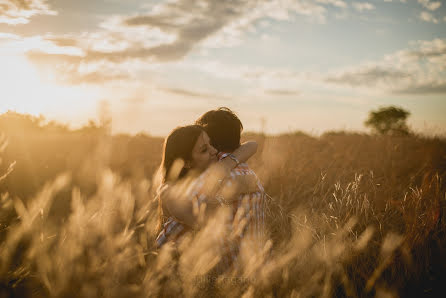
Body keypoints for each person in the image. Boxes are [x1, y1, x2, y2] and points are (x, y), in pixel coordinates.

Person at [155, 125, 259, 249]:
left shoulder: (209, 173)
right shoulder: (169, 191)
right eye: (204, 150)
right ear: (187, 163)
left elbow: (252, 145)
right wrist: (227, 191)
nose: (214, 151)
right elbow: (206, 219)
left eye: (211, 144)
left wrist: (226, 165)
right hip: (171, 262)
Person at [195, 107, 267, 269]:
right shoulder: (247, 171)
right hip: (254, 267)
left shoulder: (214, 178)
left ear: (208, 141)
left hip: (225, 273)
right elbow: (252, 144)